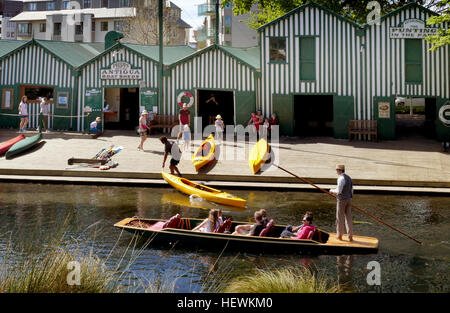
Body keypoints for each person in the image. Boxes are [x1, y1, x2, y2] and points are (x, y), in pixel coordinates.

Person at [329, 165, 353, 241]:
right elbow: (351, 189)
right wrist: (349, 198)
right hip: (349, 199)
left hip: (342, 200)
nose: (336, 171)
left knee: (339, 218)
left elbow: (339, 191)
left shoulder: (341, 178)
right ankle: (350, 236)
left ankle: (339, 235)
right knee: (348, 218)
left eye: (337, 170)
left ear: (340, 170)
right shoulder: (349, 178)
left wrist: (331, 191)